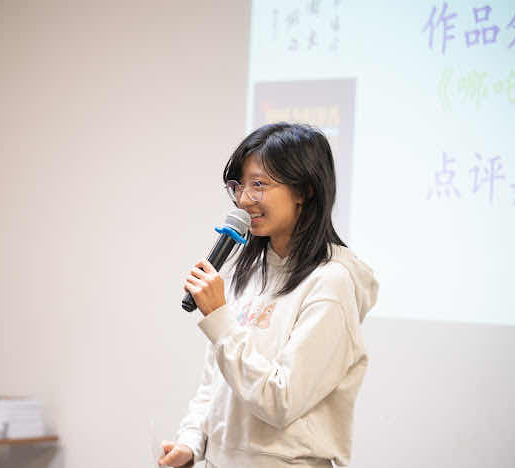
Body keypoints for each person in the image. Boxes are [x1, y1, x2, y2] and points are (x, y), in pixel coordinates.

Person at [158, 123, 379, 468]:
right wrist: (191, 441)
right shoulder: (247, 273)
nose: (244, 200)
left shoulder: (331, 283)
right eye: (239, 186)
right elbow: (215, 382)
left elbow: (281, 400)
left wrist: (219, 319)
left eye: (259, 185)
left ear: (304, 190)